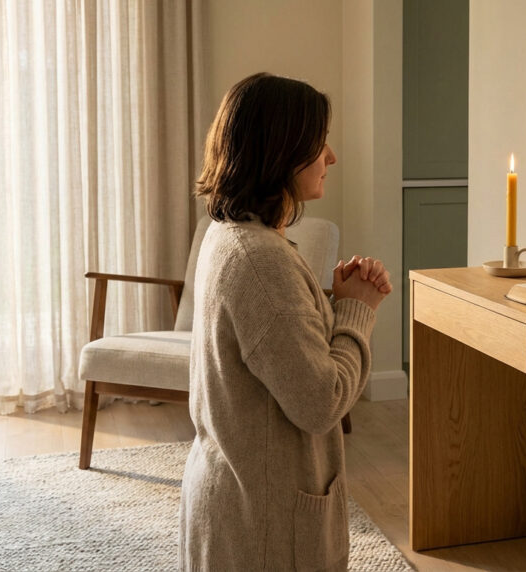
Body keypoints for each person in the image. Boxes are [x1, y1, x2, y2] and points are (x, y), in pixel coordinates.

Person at [178, 72, 392, 571]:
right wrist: (357, 311)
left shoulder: (228, 236)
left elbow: (268, 343)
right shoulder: (261, 260)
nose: (331, 158)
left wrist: (330, 302)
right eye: (320, 144)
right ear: (281, 151)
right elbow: (320, 401)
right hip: (264, 527)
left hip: (234, 500)